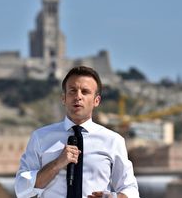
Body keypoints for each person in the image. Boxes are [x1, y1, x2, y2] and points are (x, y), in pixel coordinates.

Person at [14, 66, 139, 198]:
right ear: (64, 98)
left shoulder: (113, 140)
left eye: (85, 92)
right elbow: (21, 189)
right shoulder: (40, 137)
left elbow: (131, 190)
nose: (78, 96)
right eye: (72, 91)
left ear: (96, 101)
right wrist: (56, 165)